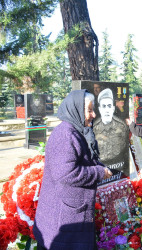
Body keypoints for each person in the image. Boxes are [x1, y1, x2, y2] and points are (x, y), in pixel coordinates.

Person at [33, 90, 112, 249]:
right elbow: (66, 173)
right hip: (62, 217)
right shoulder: (65, 134)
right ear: (76, 109)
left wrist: (99, 166)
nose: (94, 114)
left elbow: (85, 159)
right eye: (89, 110)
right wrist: (99, 172)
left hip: (71, 213)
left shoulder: (77, 131)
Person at [93, 88, 129, 173]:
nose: (106, 110)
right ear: (100, 109)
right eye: (104, 106)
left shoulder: (121, 126)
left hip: (119, 166)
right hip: (101, 169)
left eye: (109, 106)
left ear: (113, 108)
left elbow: (124, 149)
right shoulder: (94, 128)